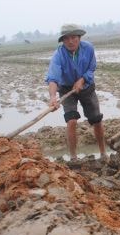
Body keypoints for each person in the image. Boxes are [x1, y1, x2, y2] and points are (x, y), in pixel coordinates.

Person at [45, 23, 106, 162]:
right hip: (66, 89)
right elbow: (53, 78)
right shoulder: (58, 55)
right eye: (66, 38)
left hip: (87, 87)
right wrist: (53, 97)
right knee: (71, 121)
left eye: (73, 37)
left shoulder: (88, 48)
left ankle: (103, 153)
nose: (70, 41)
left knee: (96, 119)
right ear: (63, 41)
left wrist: (82, 80)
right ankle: (73, 158)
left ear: (79, 38)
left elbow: (91, 68)